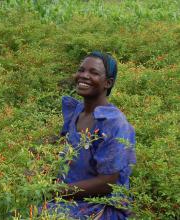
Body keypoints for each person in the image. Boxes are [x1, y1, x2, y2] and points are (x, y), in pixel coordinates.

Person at [49, 51, 136, 219]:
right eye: (81, 70)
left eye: (93, 73)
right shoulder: (78, 111)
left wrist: (54, 192)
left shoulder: (114, 123)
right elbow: (67, 143)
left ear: (108, 83)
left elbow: (107, 183)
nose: (84, 76)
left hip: (98, 203)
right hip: (68, 193)